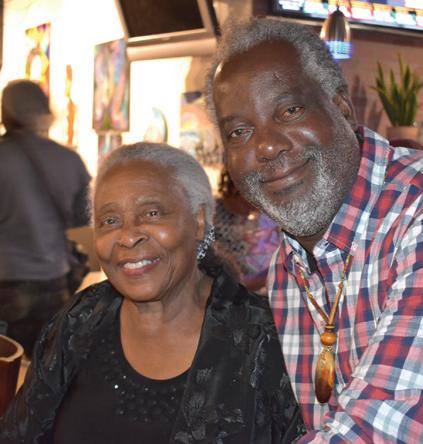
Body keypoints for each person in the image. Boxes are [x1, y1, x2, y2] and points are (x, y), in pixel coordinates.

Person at [204, 18, 423, 442]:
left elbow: (383, 433)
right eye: (239, 132)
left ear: (342, 107)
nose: (266, 145)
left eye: (289, 110)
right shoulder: (287, 269)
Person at [0, 142, 306, 443]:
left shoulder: (267, 342)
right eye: (110, 220)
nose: (128, 236)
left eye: (152, 213)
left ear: (199, 222)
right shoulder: (78, 322)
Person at [0, 79, 91, 358]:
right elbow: (85, 223)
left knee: (7, 368)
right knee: (48, 364)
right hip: (55, 280)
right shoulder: (69, 160)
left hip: (6, 281)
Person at [214, 167, 280, 294]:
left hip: (268, 290)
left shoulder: (271, 214)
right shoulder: (213, 214)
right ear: (235, 188)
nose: (253, 207)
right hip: (232, 292)